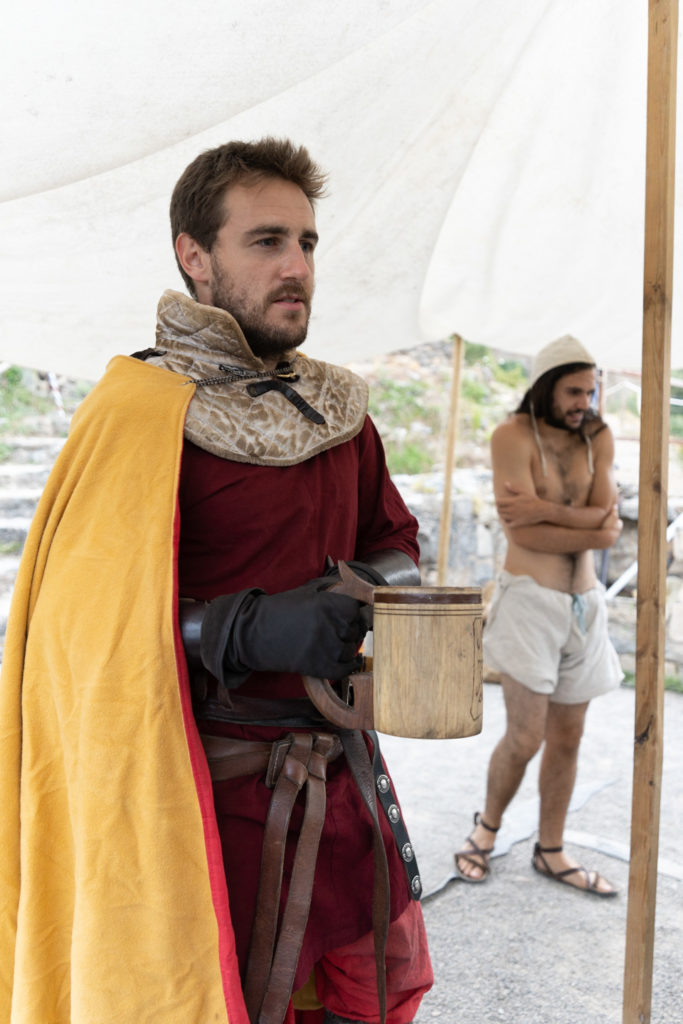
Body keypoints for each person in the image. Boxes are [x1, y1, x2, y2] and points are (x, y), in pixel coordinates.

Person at [0, 139, 432, 1024]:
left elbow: (397, 541)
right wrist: (240, 630)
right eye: (266, 241)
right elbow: (78, 630)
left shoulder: (341, 410)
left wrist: (353, 589)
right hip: (181, 806)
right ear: (194, 256)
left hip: (334, 786)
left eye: (307, 243)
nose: (296, 267)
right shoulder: (135, 411)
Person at [454, 336, 623, 897]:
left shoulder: (597, 436)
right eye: (574, 390)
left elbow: (609, 524)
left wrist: (555, 513)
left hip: (586, 603)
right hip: (530, 600)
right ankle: (485, 832)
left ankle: (551, 850)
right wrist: (588, 524)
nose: (584, 401)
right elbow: (520, 529)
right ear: (547, 385)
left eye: (591, 390)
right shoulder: (513, 435)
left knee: (569, 739)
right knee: (525, 737)